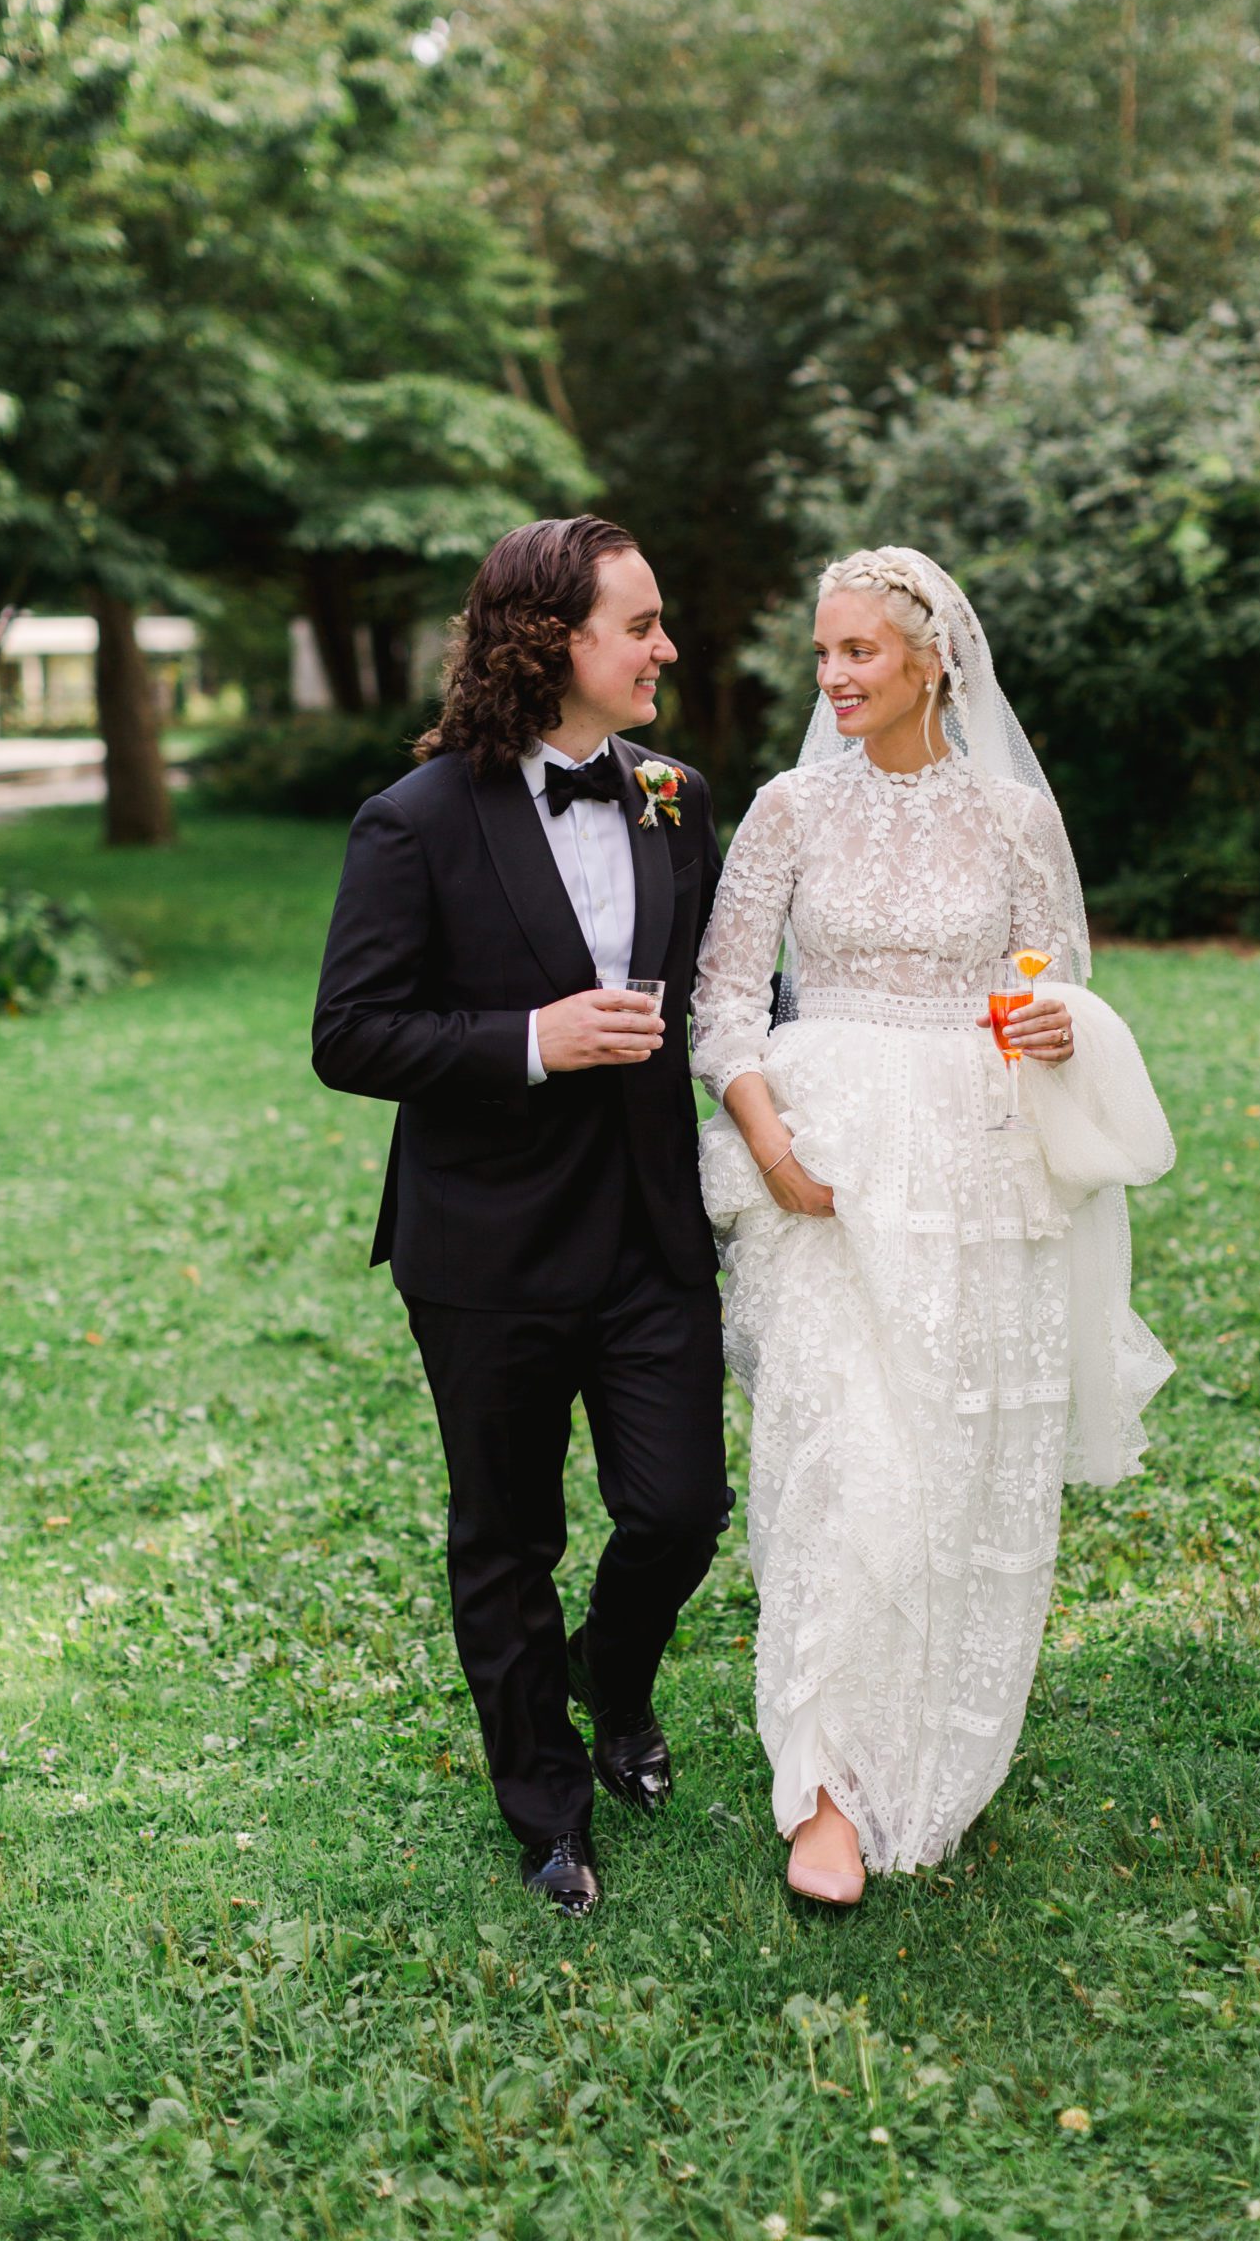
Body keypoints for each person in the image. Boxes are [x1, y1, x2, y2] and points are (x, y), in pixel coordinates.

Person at [691, 546, 1174, 1905]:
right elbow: (725, 1000)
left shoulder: (1017, 822)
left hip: (974, 1170)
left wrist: (1048, 1024)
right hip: (827, 1169)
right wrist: (770, 1140)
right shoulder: (786, 812)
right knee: (841, 1462)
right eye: (825, 655)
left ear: (929, 664)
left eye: (859, 654)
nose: (834, 677)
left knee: (951, 1468)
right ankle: (829, 1792)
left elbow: (1060, 988)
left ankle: (927, 1747)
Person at [312, 516, 731, 1917]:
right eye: (642, 625)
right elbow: (352, 1035)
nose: (667, 647)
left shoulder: (677, 795)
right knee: (507, 1538)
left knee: (680, 1509)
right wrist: (536, 1038)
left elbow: (731, 998)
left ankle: (613, 1677)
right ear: (552, 643)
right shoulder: (413, 820)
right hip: (485, 1248)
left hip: (651, 1231)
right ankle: (549, 1809)